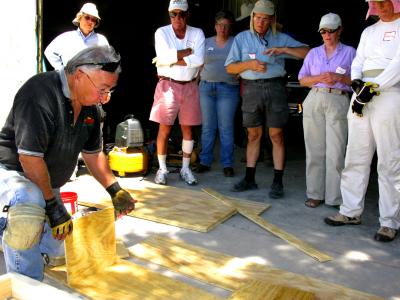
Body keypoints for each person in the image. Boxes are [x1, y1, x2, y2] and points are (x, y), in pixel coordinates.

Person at [0, 45, 137, 281]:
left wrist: (115, 190)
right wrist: (51, 206)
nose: (105, 98)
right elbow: (29, 159)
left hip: (44, 183)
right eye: (102, 89)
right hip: (11, 176)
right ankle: (26, 284)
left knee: (61, 245)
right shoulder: (39, 93)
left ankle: (16, 231)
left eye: (110, 91)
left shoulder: (90, 108)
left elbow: (93, 155)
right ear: (79, 76)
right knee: (28, 212)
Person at [325, 0, 400, 242]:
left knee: (389, 161)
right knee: (355, 154)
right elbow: (358, 61)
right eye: (377, 2)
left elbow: (398, 65)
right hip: (361, 96)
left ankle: (389, 222)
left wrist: (373, 88)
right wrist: (357, 83)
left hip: (389, 95)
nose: (381, 6)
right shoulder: (369, 31)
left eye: (385, 1)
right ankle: (350, 211)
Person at [225, 0, 309, 198]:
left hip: (275, 87)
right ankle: (249, 178)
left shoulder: (280, 38)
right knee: (253, 135)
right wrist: (250, 64)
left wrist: (284, 50)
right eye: (257, 17)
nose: (260, 22)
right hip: (251, 89)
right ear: (252, 17)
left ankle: (277, 182)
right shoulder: (242, 38)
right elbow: (230, 67)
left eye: (265, 19)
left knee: (276, 135)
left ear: (271, 20)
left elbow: (308, 52)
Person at [298, 13, 356, 208]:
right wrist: (320, 77)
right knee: (314, 149)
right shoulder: (314, 53)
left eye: (331, 30)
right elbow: (302, 79)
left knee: (337, 150)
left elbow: (357, 81)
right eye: (323, 31)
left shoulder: (350, 52)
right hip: (315, 96)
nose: (327, 34)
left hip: (338, 98)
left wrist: (339, 78)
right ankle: (315, 193)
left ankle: (334, 197)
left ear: (340, 30)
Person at [149, 0, 205, 186]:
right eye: (174, 14)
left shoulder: (197, 32)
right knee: (164, 127)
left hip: (189, 85)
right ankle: (162, 168)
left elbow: (199, 60)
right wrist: (188, 52)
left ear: (188, 15)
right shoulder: (161, 32)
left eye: (182, 14)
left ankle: (185, 168)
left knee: (188, 128)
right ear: (169, 14)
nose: (178, 18)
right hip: (168, 84)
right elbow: (163, 59)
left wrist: (171, 59)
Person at [195, 10, 240, 177]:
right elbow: (199, 65)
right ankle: (205, 161)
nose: (223, 29)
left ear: (230, 28)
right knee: (207, 127)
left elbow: (243, 62)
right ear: (215, 26)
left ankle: (227, 163)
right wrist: (196, 83)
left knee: (226, 127)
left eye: (227, 26)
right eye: (220, 25)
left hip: (228, 88)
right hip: (206, 88)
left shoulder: (236, 42)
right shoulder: (206, 42)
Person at [44, 3, 109, 70]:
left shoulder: (101, 40)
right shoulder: (66, 37)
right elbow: (49, 51)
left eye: (93, 19)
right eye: (87, 17)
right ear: (79, 18)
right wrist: (61, 70)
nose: (90, 21)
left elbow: (108, 61)